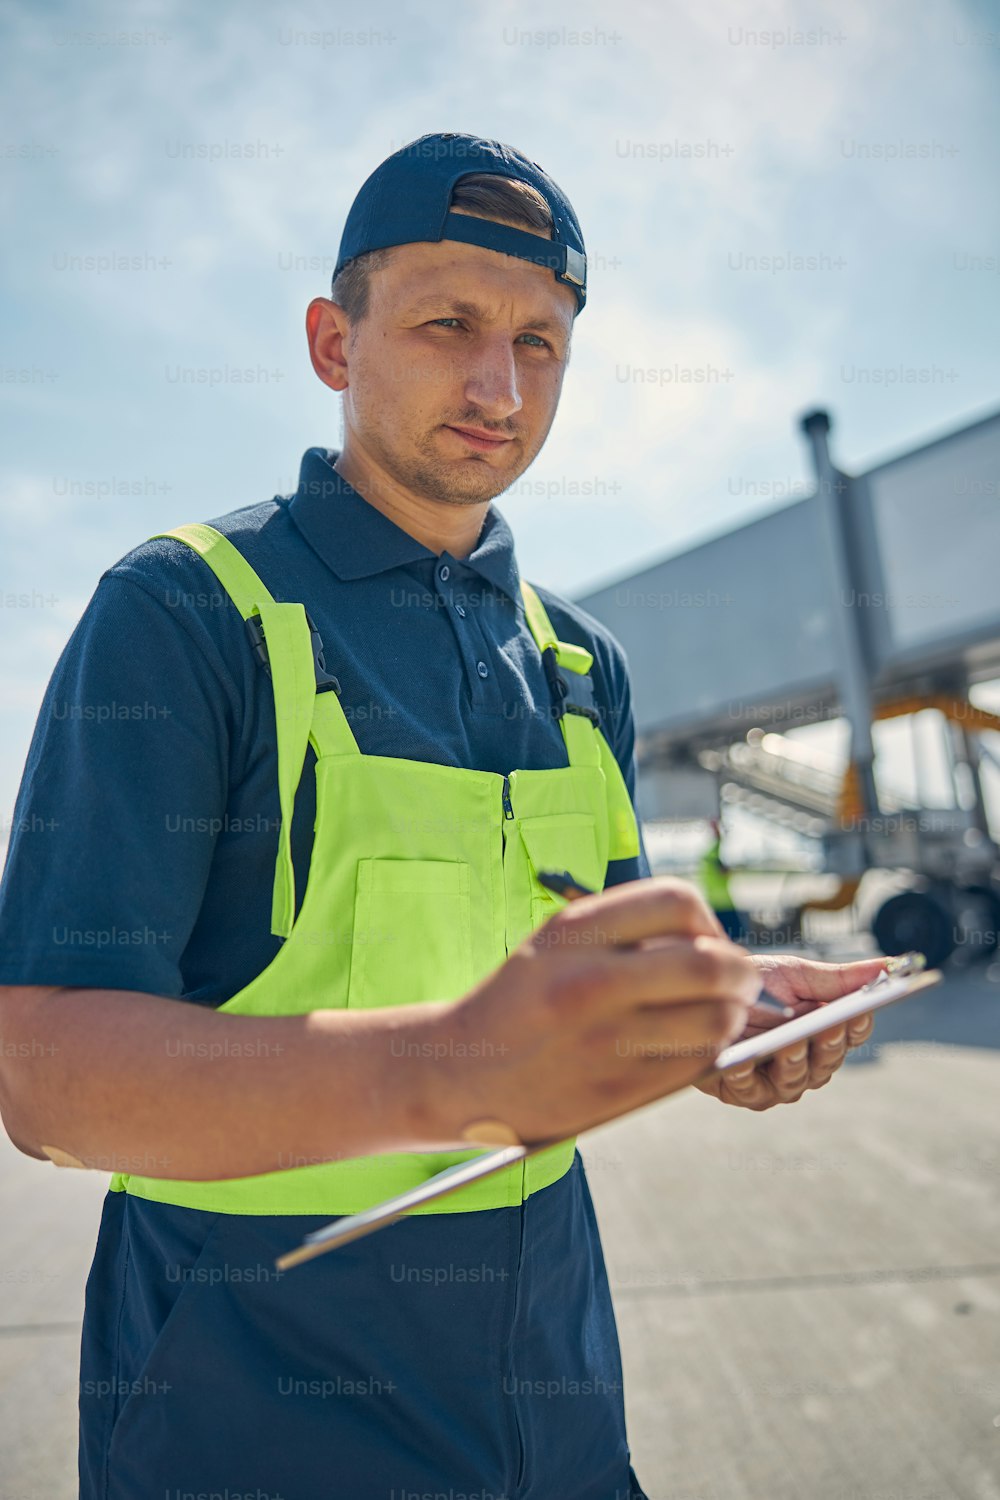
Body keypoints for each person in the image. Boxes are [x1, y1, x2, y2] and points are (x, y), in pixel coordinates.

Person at [0, 132, 880, 1500]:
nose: (498, 383)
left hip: (560, 1416)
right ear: (332, 342)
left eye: (541, 343)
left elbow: (594, 977)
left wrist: (724, 1012)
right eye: (447, 324)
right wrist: (453, 1068)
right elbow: (46, 1079)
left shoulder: (582, 664)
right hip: (254, 1419)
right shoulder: (185, 614)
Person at [699, 817, 746, 942]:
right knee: (736, 936)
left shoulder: (706, 860)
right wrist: (716, 829)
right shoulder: (712, 858)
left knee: (720, 934)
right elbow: (718, 842)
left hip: (714, 903)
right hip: (724, 904)